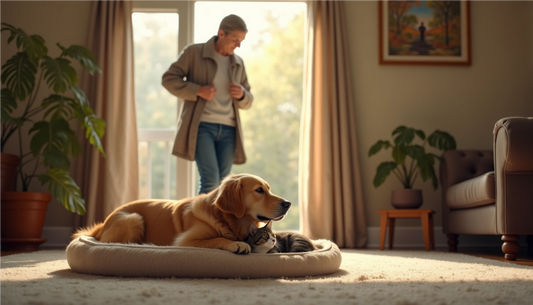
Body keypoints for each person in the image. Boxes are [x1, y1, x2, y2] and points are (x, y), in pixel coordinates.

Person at [162, 14, 253, 194]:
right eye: (235, 39)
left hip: (229, 129)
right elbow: (169, 79)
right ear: (221, 33)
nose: (238, 45)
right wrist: (197, 90)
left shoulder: (238, 63)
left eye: (242, 40)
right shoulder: (194, 53)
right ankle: (201, 222)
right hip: (202, 127)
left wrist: (242, 94)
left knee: (224, 183)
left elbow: (248, 100)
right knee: (210, 180)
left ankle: (217, 222)